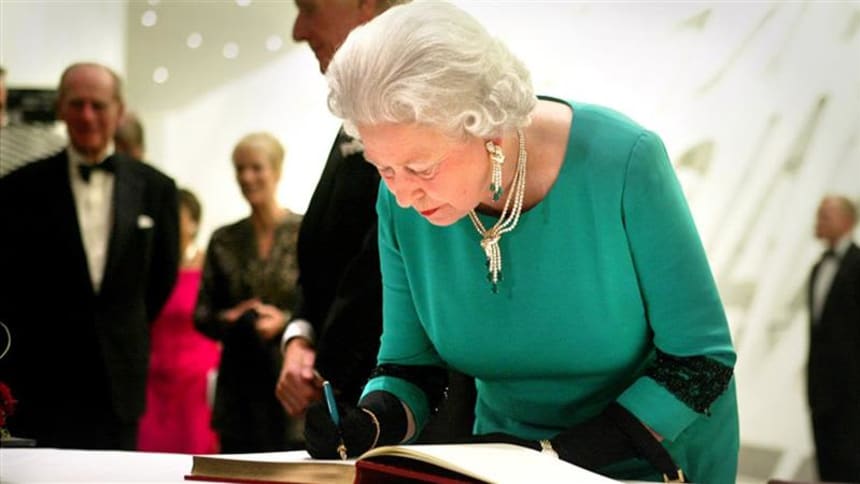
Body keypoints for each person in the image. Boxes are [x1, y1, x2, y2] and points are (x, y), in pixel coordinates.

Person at [302, 2, 740, 483]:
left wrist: (555, 455)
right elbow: (412, 368)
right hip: (504, 465)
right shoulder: (400, 203)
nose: (403, 195)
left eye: (421, 169)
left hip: (650, 457)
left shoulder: (623, 162)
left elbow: (700, 360)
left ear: (487, 128)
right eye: (384, 169)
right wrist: (368, 424)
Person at [274, 0, 476, 444]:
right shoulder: (358, 123)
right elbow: (324, 256)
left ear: (366, 7)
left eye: (309, 7)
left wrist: (325, 374)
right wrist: (299, 338)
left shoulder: (432, 118)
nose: (298, 29)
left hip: (419, 409)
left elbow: (378, 278)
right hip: (351, 402)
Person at [0, 62, 179, 450]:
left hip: (121, 383)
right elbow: (11, 285)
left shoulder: (157, 188)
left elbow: (162, 277)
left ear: (118, 110)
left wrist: (121, 323)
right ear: (60, 109)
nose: (87, 116)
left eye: (98, 105)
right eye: (76, 104)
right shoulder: (18, 190)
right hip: (45, 380)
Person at [194, 132, 303, 453]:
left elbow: (325, 303)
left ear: (277, 171)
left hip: (290, 384)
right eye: (240, 169)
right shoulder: (223, 239)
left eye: (256, 168)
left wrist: (285, 322)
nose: (246, 177)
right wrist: (232, 317)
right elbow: (202, 314)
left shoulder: (305, 232)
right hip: (238, 388)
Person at [138, 188, 221, 454]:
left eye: (177, 216)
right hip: (153, 379)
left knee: (194, 455)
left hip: (195, 382)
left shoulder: (207, 265)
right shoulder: (150, 267)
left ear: (194, 222)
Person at [807, 195, 860, 482]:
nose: (818, 222)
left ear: (847, 221)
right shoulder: (817, 269)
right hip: (821, 391)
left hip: (852, 393)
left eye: (825, 215)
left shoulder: (857, 266)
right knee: (827, 466)